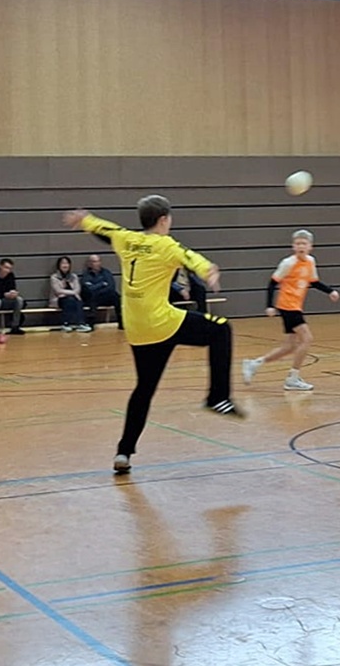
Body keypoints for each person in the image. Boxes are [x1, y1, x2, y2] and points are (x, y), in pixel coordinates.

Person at [62, 195, 242, 476]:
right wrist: (210, 270)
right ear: (163, 220)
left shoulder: (126, 239)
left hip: (137, 329)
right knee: (221, 328)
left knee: (144, 389)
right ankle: (217, 397)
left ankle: (123, 452)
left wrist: (84, 220)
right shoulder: (165, 245)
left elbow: (105, 231)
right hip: (163, 323)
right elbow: (190, 257)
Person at [241, 229, 340, 391]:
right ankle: (293, 378)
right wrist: (269, 305)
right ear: (293, 246)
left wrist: (330, 291)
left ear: (310, 247)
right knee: (307, 339)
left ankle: (254, 364)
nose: (301, 246)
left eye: (304, 243)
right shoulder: (288, 263)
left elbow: (314, 282)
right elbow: (272, 283)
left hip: (296, 306)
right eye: (298, 243)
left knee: (289, 346)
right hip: (288, 306)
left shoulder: (310, 261)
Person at [49, 256, 92, 333]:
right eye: (63, 263)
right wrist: (73, 293)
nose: (65, 265)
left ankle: (81, 323)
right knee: (69, 300)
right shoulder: (54, 277)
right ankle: (65, 324)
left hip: (73, 299)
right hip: (58, 299)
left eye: (67, 263)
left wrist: (72, 293)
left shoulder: (74, 276)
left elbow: (78, 289)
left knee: (78, 301)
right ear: (59, 265)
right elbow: (58, 291)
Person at [81, 254, 122, 329]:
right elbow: (88, 289)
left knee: (116, 296)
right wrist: (102, 284)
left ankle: (121, 321)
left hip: (105, 297)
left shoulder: (106, 273)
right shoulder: (86, 275)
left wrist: (96, 288)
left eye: (98, 261)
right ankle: (90, 324)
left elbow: (111, 287)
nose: (96, 263)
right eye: (94, 262)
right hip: (93, 298)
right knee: (92, 297)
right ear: (89, 263)